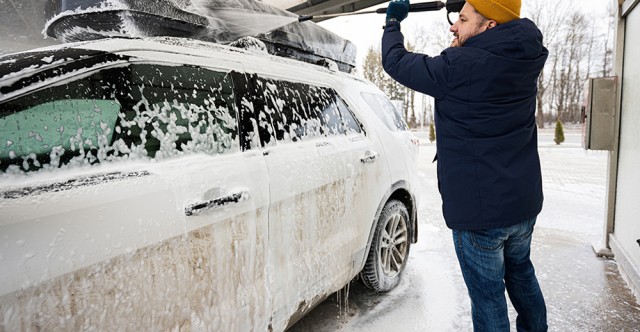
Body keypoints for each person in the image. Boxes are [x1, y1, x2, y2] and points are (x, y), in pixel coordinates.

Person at [381, 0, 549, 331]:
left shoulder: (458, 66)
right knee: (521, 272)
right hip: (522, 203)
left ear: (490, 26)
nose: (453, 26)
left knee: (488, 297)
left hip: (480, 213)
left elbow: (395, 61)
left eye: (462, 19)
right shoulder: (526, 57)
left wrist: (392, 23)